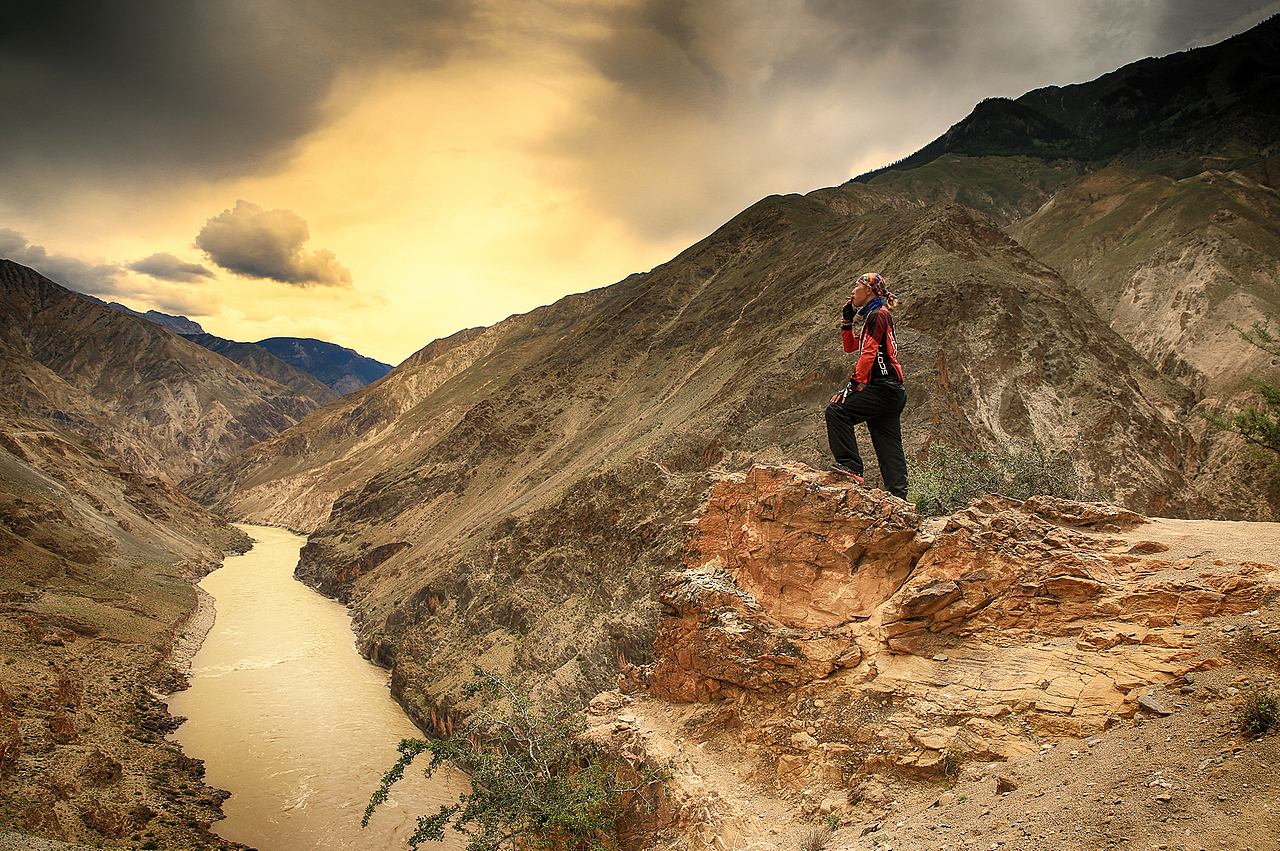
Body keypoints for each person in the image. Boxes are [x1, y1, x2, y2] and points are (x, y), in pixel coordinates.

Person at [824, 272, 908, 499]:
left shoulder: (878, 315)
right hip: (892, 392)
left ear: (869, 290)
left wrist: (852, 386)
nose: (853, 291)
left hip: (882, 387)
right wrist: (847, 320)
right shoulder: (877, 315)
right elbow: (851, 346)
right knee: (889, 448)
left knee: (837, 410)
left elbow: (869, 353)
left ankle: (850, 465)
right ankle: (900, 500)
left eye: (857, 286)